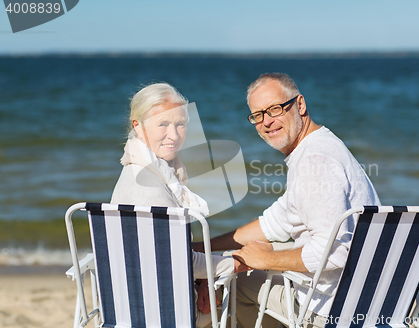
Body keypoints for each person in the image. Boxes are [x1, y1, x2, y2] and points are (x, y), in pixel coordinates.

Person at [194, 73, 381, 328]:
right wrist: (204, 247)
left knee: (233, 282)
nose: (267, 122)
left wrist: (265, 260)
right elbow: (274, 222)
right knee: (239, 262)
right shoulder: (322, 146)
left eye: (275, 109)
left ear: (300, 105)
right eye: (258, 115)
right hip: (368, 295)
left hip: (330, 308)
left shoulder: (315, 162)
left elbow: (334, 254)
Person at [110, 82, 248, 328]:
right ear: (138, 127)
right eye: (163, 124)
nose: (174, 135)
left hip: (128, 305)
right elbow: (179, 262)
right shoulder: (150, 186)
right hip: (164, 313)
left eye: (180, 124)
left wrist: (204, 278)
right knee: (248, 291)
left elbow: (165, 255)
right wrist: (238, 261)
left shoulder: (138, 170)